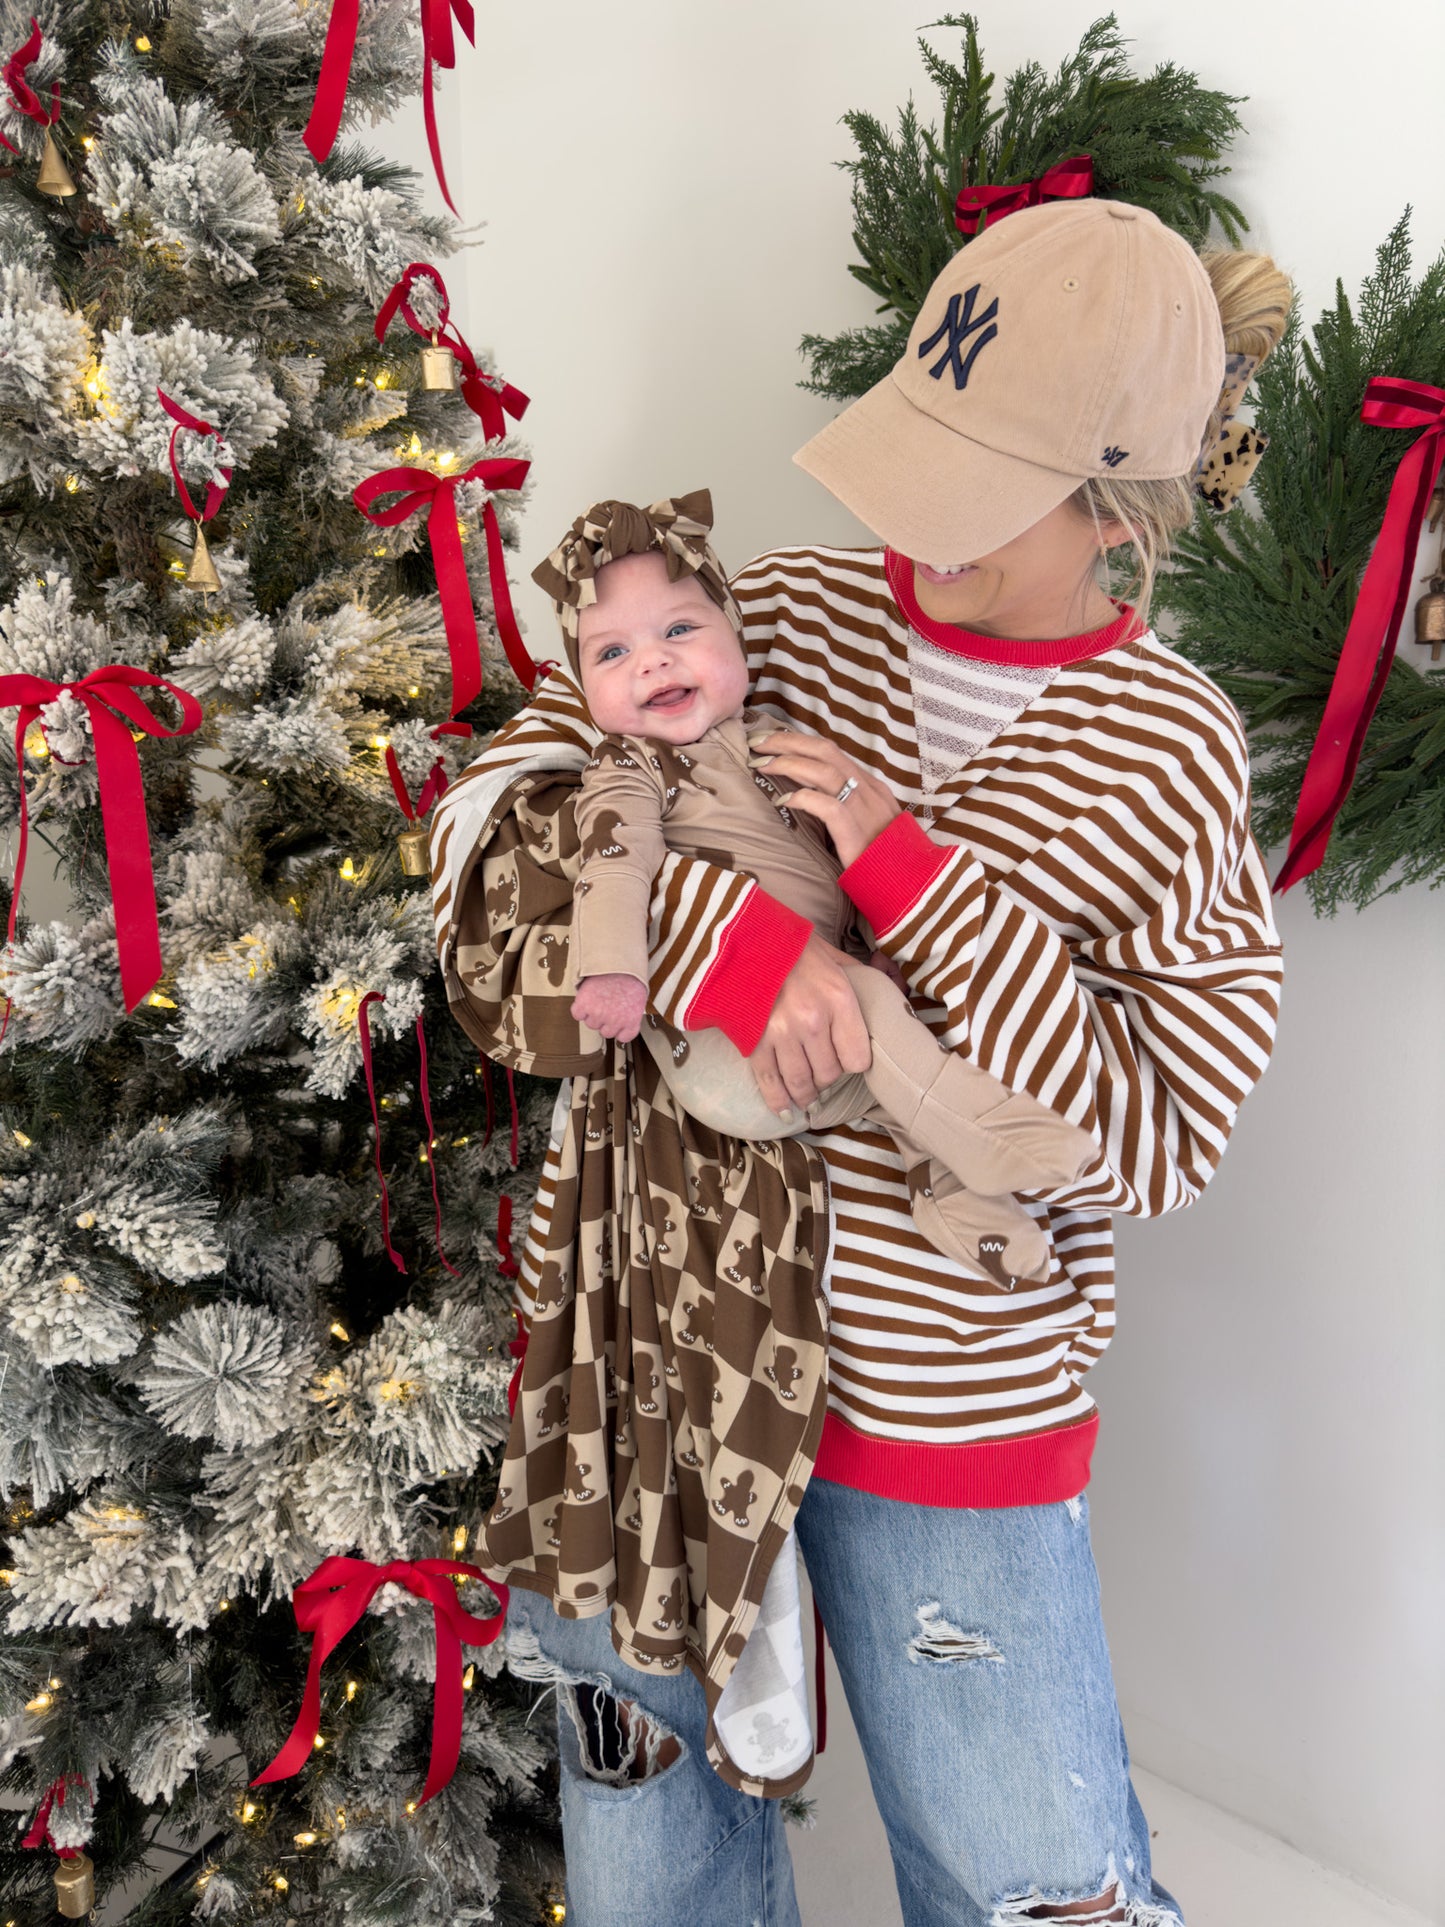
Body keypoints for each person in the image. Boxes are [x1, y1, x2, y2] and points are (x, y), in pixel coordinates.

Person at [429, 198, 1289, 1926]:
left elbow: (1156, 1136)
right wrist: (731, 944)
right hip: (653, 1362)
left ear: (1121, 507)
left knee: (1029, 1879)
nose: (913, 527)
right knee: (650, 1852)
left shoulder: (1166, 747)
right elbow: (482, 841)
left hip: (946, 1410)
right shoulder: (774, 617)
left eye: (986, 490)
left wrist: (910, 879)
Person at [533, 489, 1100, 1288]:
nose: (652, 661)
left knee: (883, 1083)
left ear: (737, 633)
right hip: (729, 1047)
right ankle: (981, 1126)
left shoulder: (775, 749)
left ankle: (971, 1216)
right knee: (873, 1017)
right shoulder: (629, 770)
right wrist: (615, 973)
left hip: (808, 1037)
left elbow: (828, 874)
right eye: (611, 653)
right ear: (581, 688)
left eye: (679, 630)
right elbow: (614, 864)